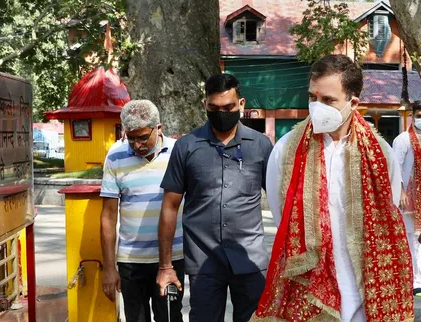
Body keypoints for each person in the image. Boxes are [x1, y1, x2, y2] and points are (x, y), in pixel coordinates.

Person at [254, 54, 413, 321]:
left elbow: (389, 210)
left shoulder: (380, 154)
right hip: (309, 282)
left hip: (363, 283)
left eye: (328, 100)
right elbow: (281, 213)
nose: (317, 107)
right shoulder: (287, 149)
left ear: (353, 103)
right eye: (312, 98)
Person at [157, 74, 273, 322]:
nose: (222, 113)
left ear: (241, 104)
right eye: (215, 108)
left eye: (229, 107)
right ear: (205, 105)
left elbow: (280, 201)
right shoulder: (187, 147)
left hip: (250, 259)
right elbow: (169, 207)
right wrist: (165, 267)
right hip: (204, 262)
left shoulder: (261, 146)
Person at [100, 100, 184, 322]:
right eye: (131, 138)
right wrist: (109, 268)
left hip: (172, 259)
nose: (137, 145)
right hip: (131, 262)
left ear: (159, 128)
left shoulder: (179, 152)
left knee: (169, 317)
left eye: (143, 137)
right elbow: (108, 216)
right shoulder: (116, 155)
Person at [393, 100, 421, 296]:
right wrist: (401, 193)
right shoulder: (402, 140)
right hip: (409, 199)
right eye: (419, 115)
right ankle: (414, 281)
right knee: (412, 241)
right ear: (412, 115)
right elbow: (395, 169)